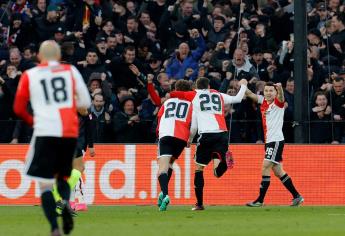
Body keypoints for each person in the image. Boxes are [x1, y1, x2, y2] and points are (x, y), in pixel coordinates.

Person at [13, 40, 91, 236]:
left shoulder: (30, 75)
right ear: (58, 56)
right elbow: (85, 103)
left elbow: (18, 109)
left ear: (39, 56)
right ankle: (66, 202)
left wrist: (34, 120)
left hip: (45, 131)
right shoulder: (71, 71)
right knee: (64, 176)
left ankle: (54, 228)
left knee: (45, 183)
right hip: (68, 132)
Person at [170, 77, 248, 210]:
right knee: (217, 172)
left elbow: (174, 95)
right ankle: (224, 161)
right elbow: (238, 99)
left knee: (199, 169)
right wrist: (244, 85)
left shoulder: (194, 95)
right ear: (209, 85)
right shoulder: (218, 94)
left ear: (196, 86)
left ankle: (199, 204)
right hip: (222, 134)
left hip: (206, 135)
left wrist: (189, 139)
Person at [245, 82, 304, 207]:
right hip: (269, 141)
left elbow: (281, 97)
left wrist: (280, 89)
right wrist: (243, 84)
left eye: (271, 91)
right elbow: (250, 94)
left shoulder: (278, 103)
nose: (268, 93)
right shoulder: (264, 102)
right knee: (278, 171)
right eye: (266, 91)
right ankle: (297, 196)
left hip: (275, 140)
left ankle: (260, 200)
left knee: (265, 166)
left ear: (275, 92)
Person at [155, 79, 193, 211]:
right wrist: (190, 138)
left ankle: (165, 195)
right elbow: (192, 123)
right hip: (181, 138)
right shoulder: (190, 104)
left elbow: (159, 119)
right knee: (170, 164)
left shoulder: (167, 102)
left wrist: (158, 135)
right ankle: (162, 193)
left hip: (166, 135)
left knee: (162, 169)